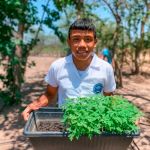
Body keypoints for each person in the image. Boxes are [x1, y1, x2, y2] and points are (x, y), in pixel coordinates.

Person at [22, 18, 116, 121]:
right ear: (69, 42)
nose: (82, 45)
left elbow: (109, 99)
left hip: (95, 126)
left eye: (88, 39)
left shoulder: (106, 68)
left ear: (95, 42)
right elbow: (49, 94)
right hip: (65, 125)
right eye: (76, 39)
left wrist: (128, 115)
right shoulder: (58, 66)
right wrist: (34, 105)